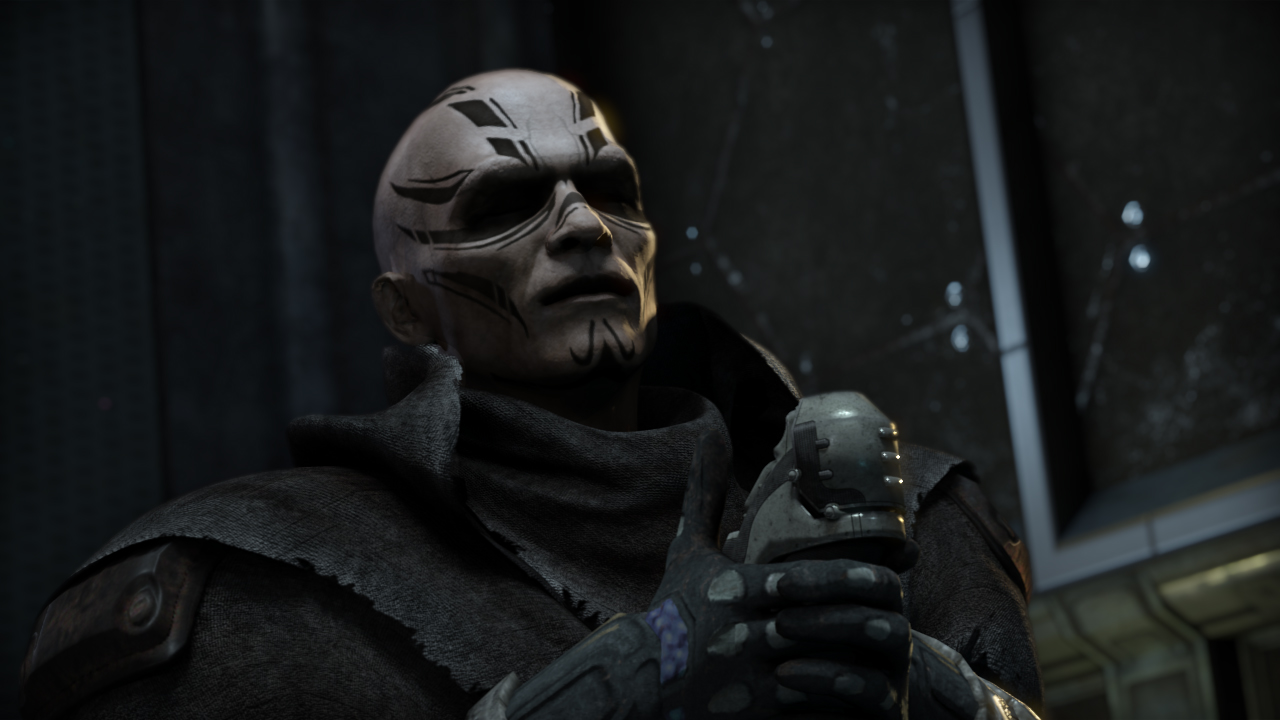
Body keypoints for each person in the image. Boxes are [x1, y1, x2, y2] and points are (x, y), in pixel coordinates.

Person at [19, 70, 1041, 719]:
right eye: (506, 204)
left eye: (608, 191)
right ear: (403, 308)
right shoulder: (251, 585)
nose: (584, 228)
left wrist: (912, 676)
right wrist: (648, 669)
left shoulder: (911, 515)